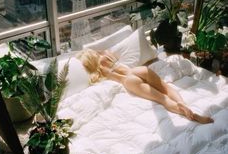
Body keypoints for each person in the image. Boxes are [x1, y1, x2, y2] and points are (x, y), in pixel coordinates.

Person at [76, 48, 214, 124]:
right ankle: (183, 104)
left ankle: (194, 117)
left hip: (128, 81)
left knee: (162, 99)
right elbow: (117, 57)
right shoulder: (106, 54)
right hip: (137, 70)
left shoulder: (96, 71)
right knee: (167, 88)